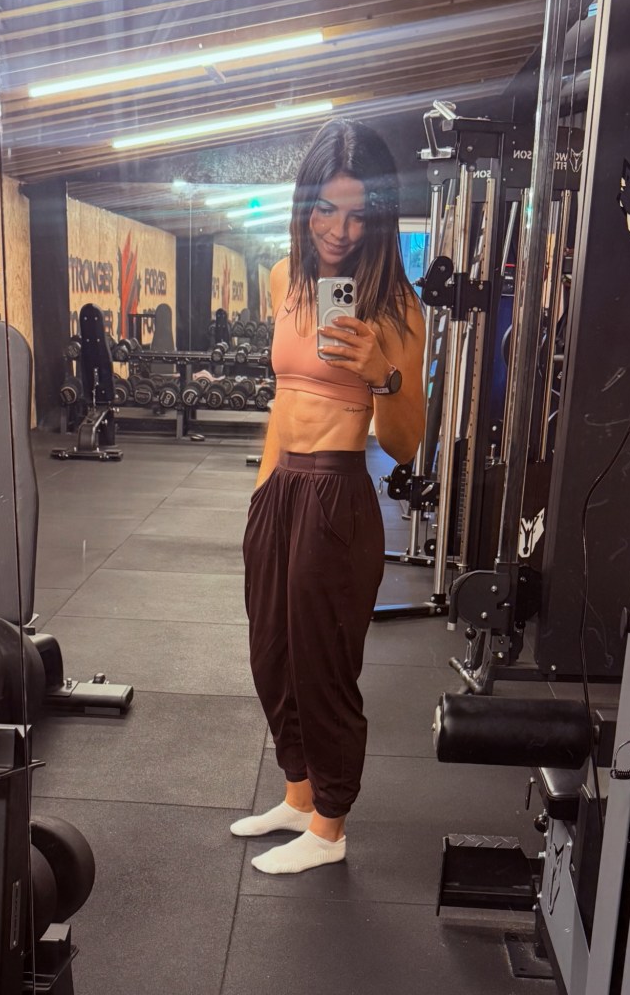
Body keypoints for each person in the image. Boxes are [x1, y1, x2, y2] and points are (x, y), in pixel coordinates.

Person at [232, 119, 425, 874]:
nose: (340, 231)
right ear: (303, 205)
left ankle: (330, 828)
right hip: (279, 487)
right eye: (325, 210)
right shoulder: (286, 278)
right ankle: (299, 794)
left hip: (338, 494)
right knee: (272, 655)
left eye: (358, 214)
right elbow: (284, 398)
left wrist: (382, 374)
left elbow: (405, 444)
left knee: (323, 667)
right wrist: (261, 501)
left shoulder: (396, 308)